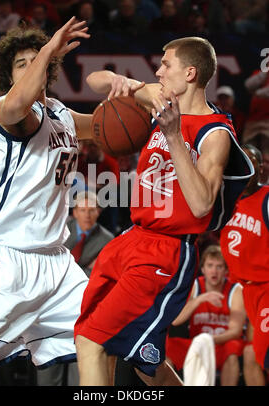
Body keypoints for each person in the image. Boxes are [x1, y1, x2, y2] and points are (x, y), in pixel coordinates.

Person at [74, 36, 254, 386]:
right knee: (137, 361)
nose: (157, 70)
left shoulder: (215, 132)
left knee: (92, 340)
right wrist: (117, 82)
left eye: (165, 64)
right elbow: (93, 80)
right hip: (133, 238)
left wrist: (173, 136)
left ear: (190, 73)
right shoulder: (159, 99)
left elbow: (202, 204)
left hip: (167, 250)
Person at [0, 17, 93, 372]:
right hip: (6, 260)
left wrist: (137, 95)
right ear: (9, 78)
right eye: (21, 64)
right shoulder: (6, 111)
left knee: (105, 335)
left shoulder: (60, 114)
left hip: (57, 262)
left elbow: (106, 125)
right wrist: (49, 48)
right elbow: (20, 102)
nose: (29, 68)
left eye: (34, 61)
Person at [37, 190, 114, 386]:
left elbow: (102, 280)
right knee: (48, 368)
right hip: (52, 307)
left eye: (92, 210)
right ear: (74, 212)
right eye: (83, 210)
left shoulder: (108, 241)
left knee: (79, 368)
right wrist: (86, 270)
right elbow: (47, 268)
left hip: (84, 309)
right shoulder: (58, 233)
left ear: (99, 212)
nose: (87, 214)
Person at [220, 144, 269, 377]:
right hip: (245, 289)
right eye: (243, 163)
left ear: (262, 169)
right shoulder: (224, 200)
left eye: (253, 162)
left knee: (266, 352)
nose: (248, 168)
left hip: (266, 286)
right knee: (260, 355)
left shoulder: (267, 198)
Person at [165, 245, 246, 386]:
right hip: (196, 342)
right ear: (202, 269)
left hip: (221, 343)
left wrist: (207, 340)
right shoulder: (195, 285)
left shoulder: (236, 290)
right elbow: (176, 320)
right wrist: (199, 299)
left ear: (226, 270)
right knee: (168, 347)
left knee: (232, 349)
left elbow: (235, 331)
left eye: (219, 266)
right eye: (210, 265)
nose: (214, 271)